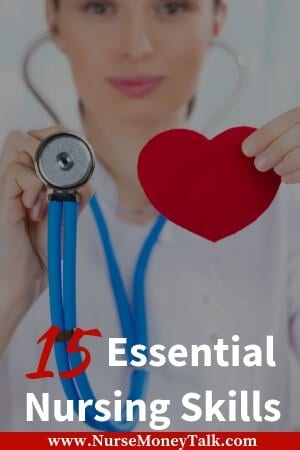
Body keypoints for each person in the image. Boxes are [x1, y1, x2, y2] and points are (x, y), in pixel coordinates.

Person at [0, 0, 300, 432]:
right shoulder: (12, 207)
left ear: (216, 19)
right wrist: (10, 290)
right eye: (99, 8)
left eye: (172, 7)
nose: (136, 46)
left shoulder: (282, 197)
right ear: (54, 19)